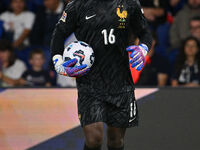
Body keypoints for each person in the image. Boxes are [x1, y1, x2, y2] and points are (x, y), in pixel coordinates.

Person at [51, 0, 152, 150]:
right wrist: (58, 63)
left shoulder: (129, 3)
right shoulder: (77, 5)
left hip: (120, 82)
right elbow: (59, 34)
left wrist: (143, 48)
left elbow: (145, 33)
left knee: (115, 141)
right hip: (90, 82)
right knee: (94, 140)